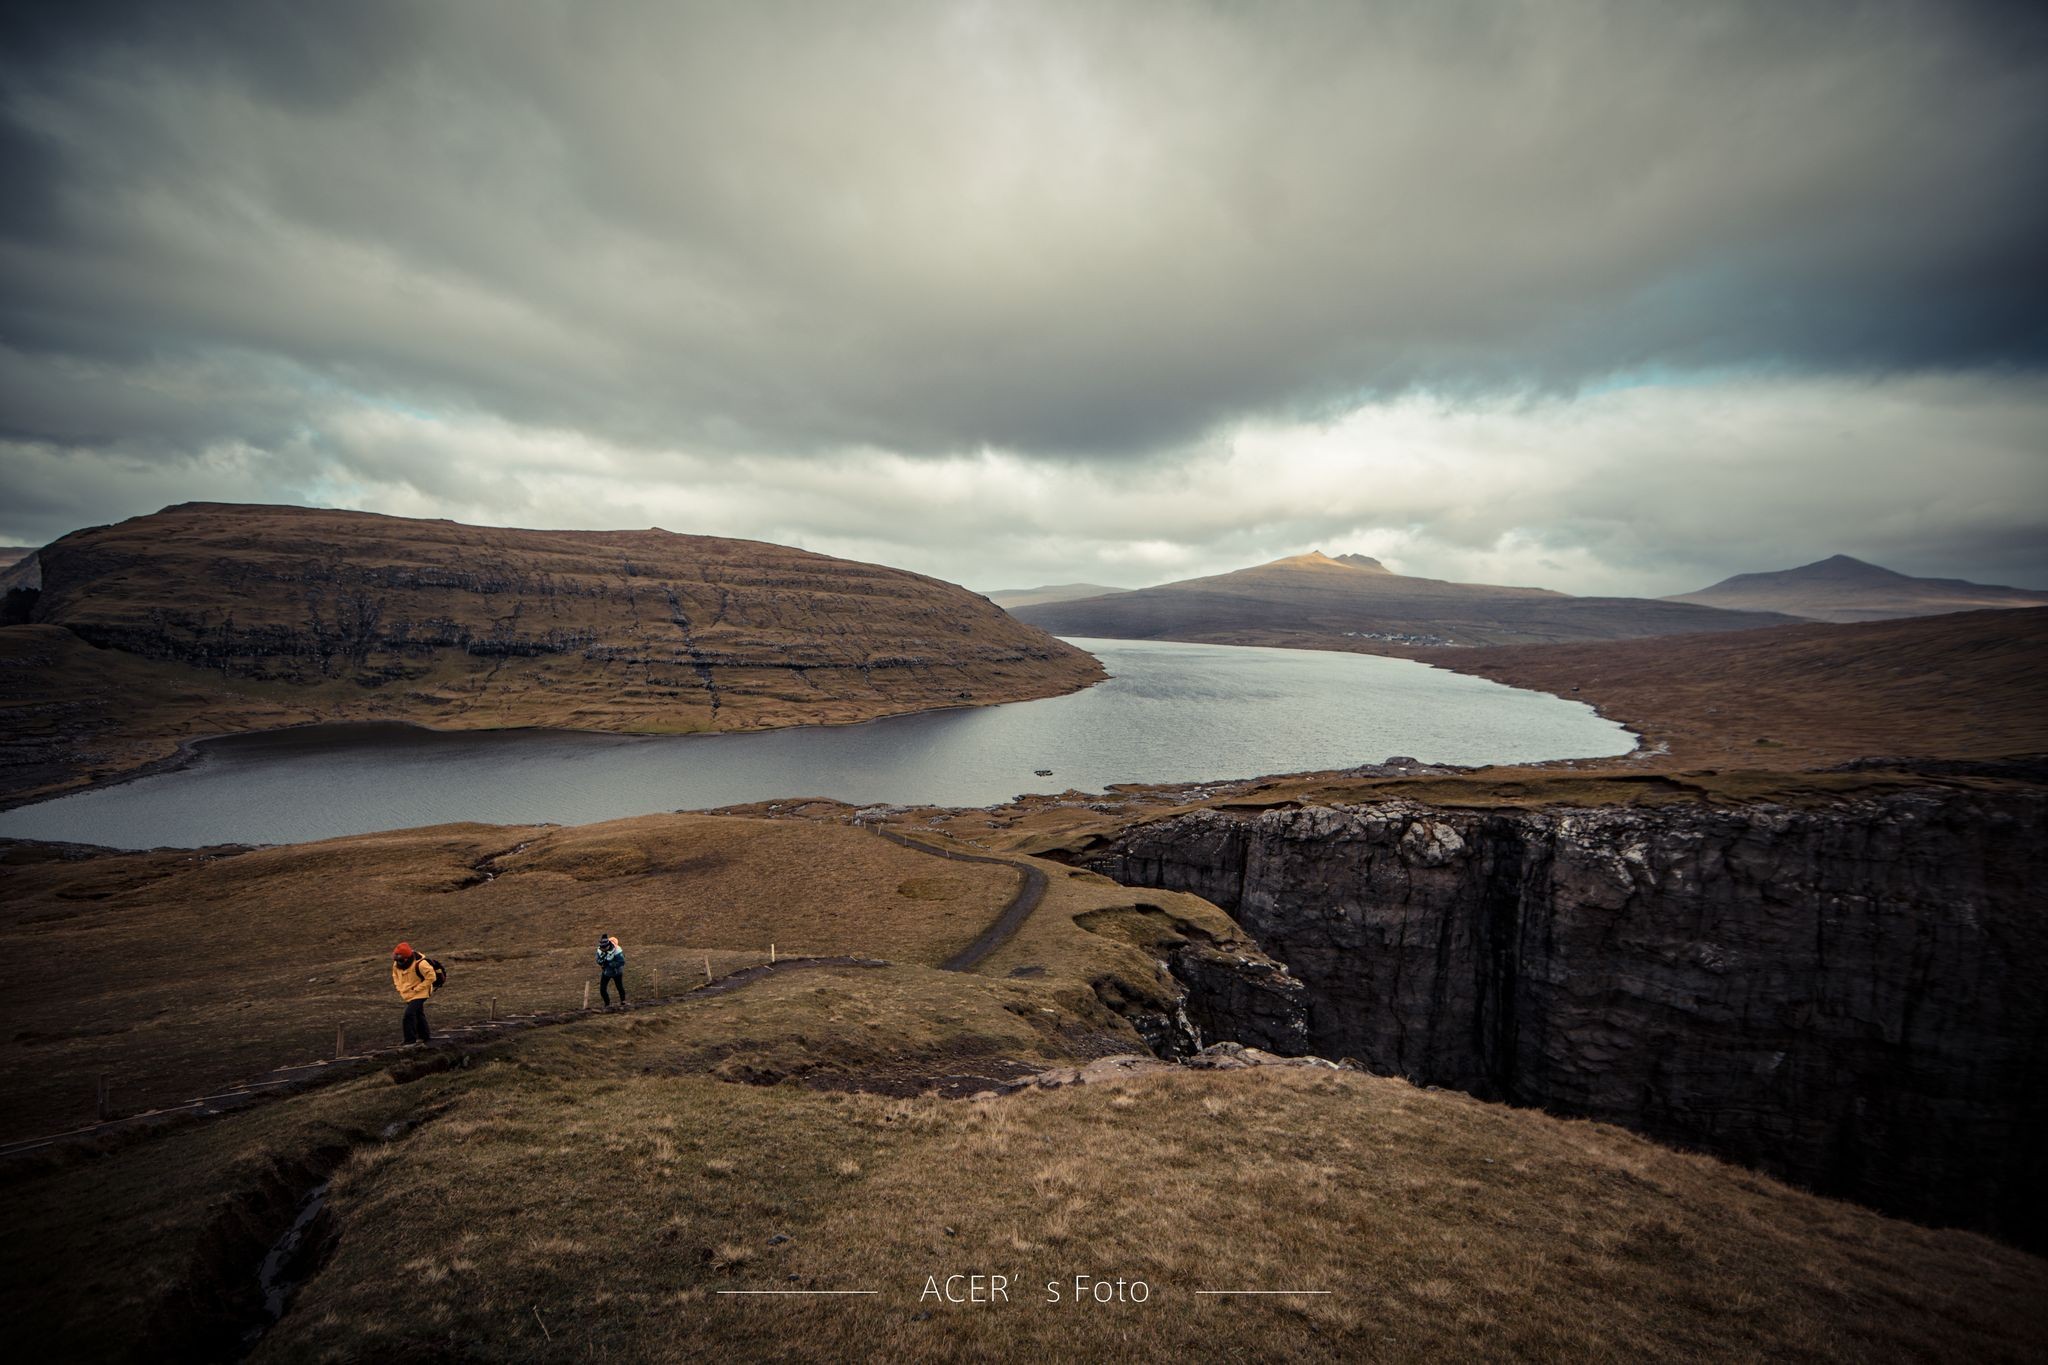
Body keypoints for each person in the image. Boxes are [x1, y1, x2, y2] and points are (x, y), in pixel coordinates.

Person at [392, 941, 436, 1043]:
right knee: (418, 1013)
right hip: (408, 993)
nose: (399, 962)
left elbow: (431, 977)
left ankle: (410, 1039)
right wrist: (399, 988)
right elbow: (395, 976)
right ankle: (425, 1035)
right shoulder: (396, 964)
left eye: (401, 960)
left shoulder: (421, 964)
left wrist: (418, 988)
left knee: (409, 1014)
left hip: (421, 993)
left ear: (407, 957)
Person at [596, 934, 626, 1008]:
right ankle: (607, 1004)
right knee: (602, 989)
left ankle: (623, 1002)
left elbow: (622, 962)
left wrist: (611, 964)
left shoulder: (617, 950)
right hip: (606, 972)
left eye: (603, 947)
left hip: (617, 972)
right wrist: (601, 961)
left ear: (607, 945)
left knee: (619, 987)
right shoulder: (599, 950)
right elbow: (597, 959)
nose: (602, 949)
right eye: (601, 947)